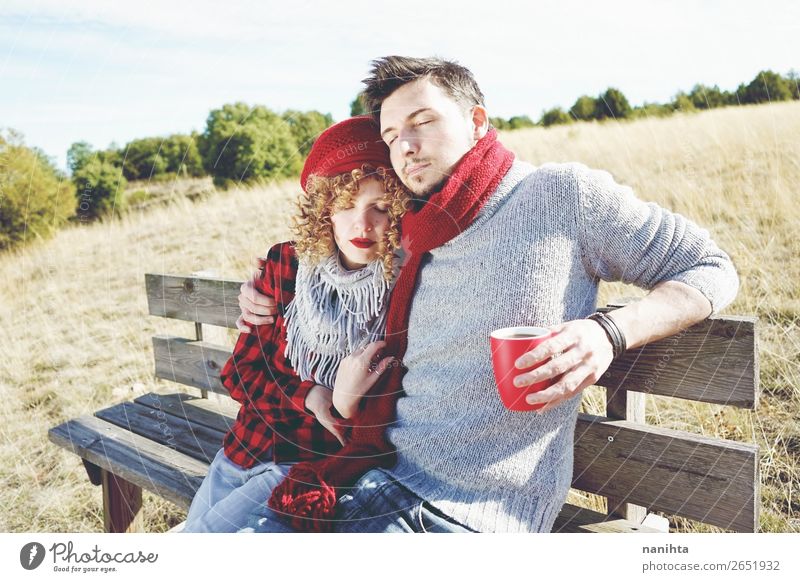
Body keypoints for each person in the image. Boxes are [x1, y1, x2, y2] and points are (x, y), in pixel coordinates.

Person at [238, 56, 740, 533]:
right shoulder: (409, 231)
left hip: (469, 512)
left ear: (477, 120)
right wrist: (263, 287)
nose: (405, 146)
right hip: (379, 474)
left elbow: (711, 268)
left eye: (423, 121)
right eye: (392, 135)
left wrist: (609, 331)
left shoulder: (560, 196)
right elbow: (324, 257)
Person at [181, 116, 409, 532]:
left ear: (400, 213)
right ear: (324, 212)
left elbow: (385, 423)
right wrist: (310, 395)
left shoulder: (404, 289)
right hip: (243, 448)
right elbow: (240, 374)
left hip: (306, 465)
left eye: (380, 208)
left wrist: (342, 405)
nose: (362, 225)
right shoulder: (288, 264)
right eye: (345, 206)